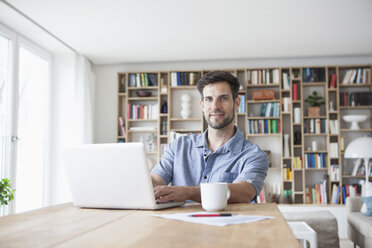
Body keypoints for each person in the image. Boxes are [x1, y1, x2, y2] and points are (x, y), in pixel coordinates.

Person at [151, 70, 269, 203]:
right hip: (179, 223)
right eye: (208, 99)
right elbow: (156, 179)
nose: (215, 106)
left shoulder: (254, 155)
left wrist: (188, 192)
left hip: (229, 223)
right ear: (202, 105)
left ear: (236, 103)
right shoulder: (178, 146)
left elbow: (244, 192)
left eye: (223, 98)